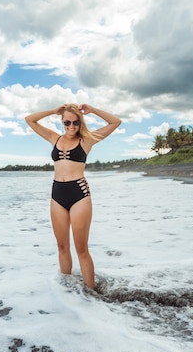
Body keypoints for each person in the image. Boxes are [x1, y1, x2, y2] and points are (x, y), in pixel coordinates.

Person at [25, 104, 121, 289]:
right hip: (57, 195)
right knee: (62, 247)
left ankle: (91, 294)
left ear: (80, 122)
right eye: (67, 122)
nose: (71, 126)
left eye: (75, 122)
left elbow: (115, 122)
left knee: (81, 249)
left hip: (79, 194)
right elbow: (30, 120)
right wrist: (53, 110)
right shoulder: (54, 138)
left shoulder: (87, 140)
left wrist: (93, 109)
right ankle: (67, 292)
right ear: (62, 121)